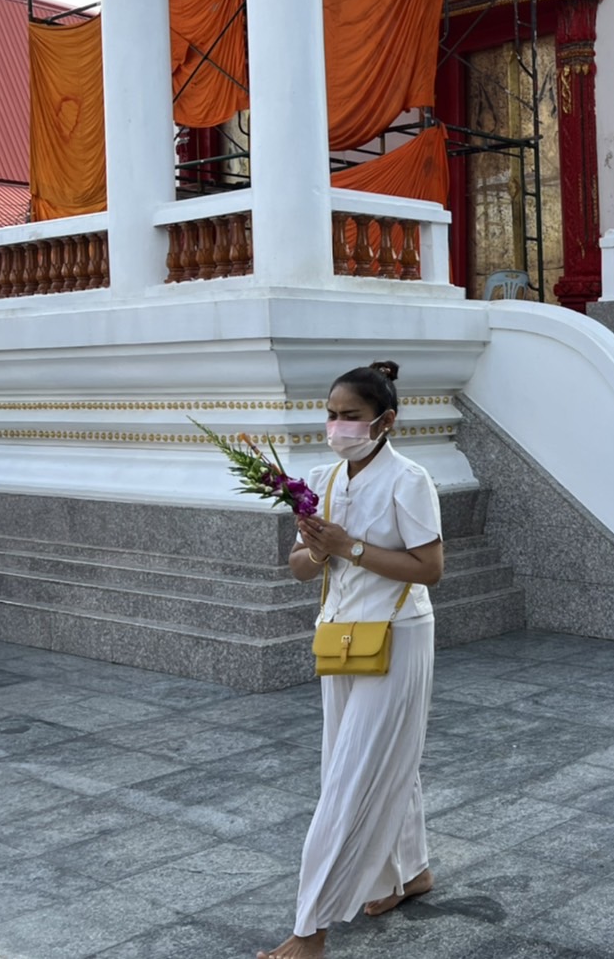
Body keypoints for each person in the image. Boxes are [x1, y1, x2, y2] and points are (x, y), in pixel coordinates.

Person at [259, 361, 444, 959]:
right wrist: (319, 550)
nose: (338, 426)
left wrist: (351, 547)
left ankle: (310, 929)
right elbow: (299, 567)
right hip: (339, 634)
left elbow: (430, 569)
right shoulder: (321, 478)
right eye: (332, 414)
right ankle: (408, 873)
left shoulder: (409, 480)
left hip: (397, 633)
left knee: (352, 777)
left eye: (351, 416)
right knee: (368, 758)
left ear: (384, 421)